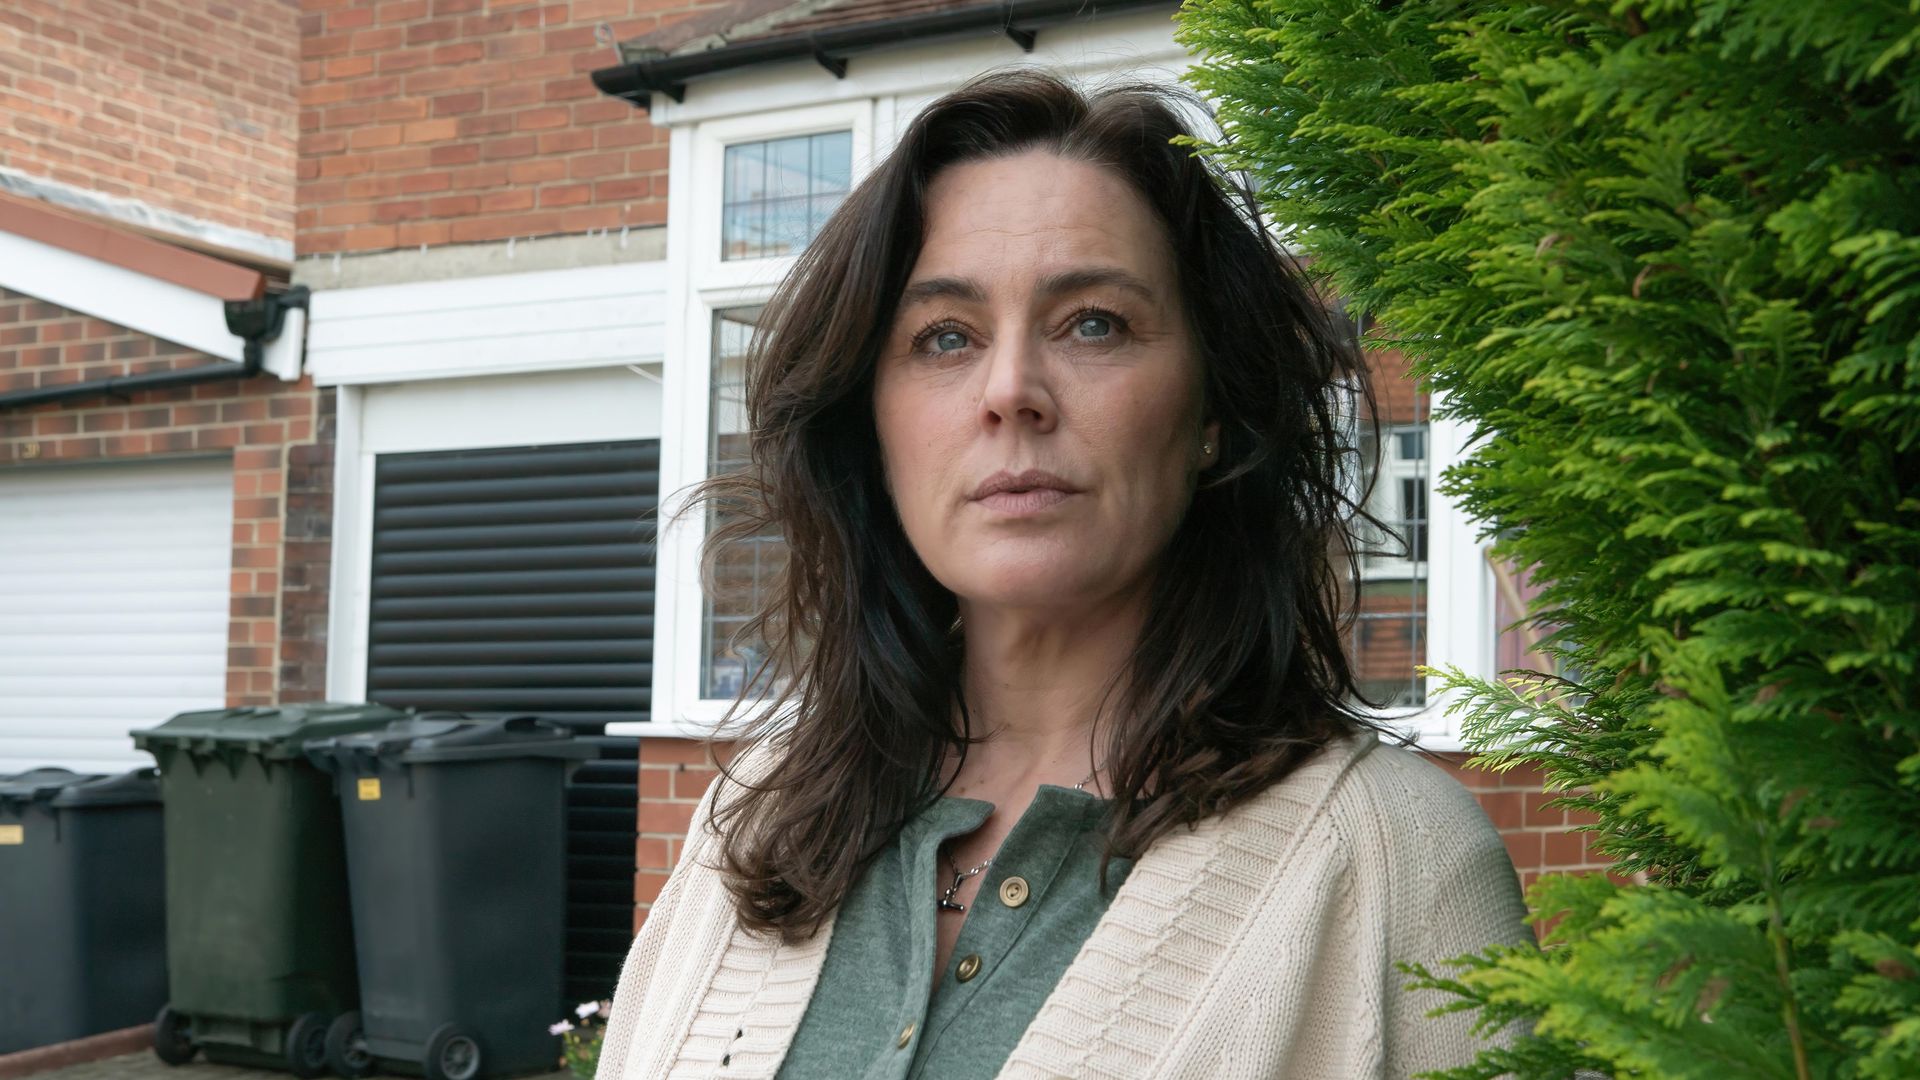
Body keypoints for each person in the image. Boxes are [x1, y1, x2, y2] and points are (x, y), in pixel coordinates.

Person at [596, 70, 1533, 1080]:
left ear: (1213, 414)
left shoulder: (1398, 859)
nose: (1010, 392)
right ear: (871, 427)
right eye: (944, 337)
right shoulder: (756, 819)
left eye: (1093, 322)